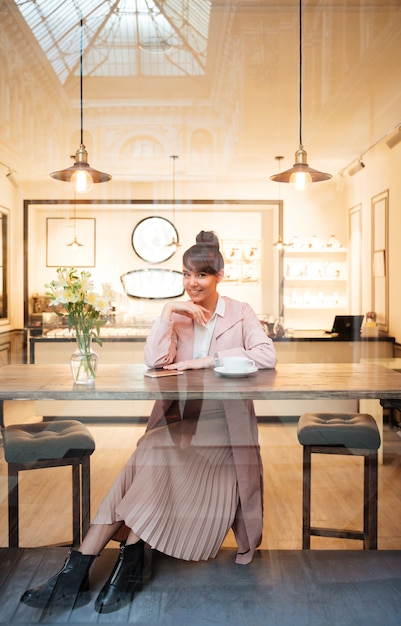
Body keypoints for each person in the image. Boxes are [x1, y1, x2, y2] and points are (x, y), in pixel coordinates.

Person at [20, 231, 276, 614]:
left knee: (152, 450)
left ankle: (79, 570)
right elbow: (156, 362)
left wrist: (206, 360)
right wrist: (164, 316)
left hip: (225, 431)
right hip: (184, 421)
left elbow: (265, 355)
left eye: (202, 275)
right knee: (152, 454)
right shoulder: (180, 313)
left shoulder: (240, 311)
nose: (192, 282)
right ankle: (123, 561)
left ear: (220, 275)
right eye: (187, 274)